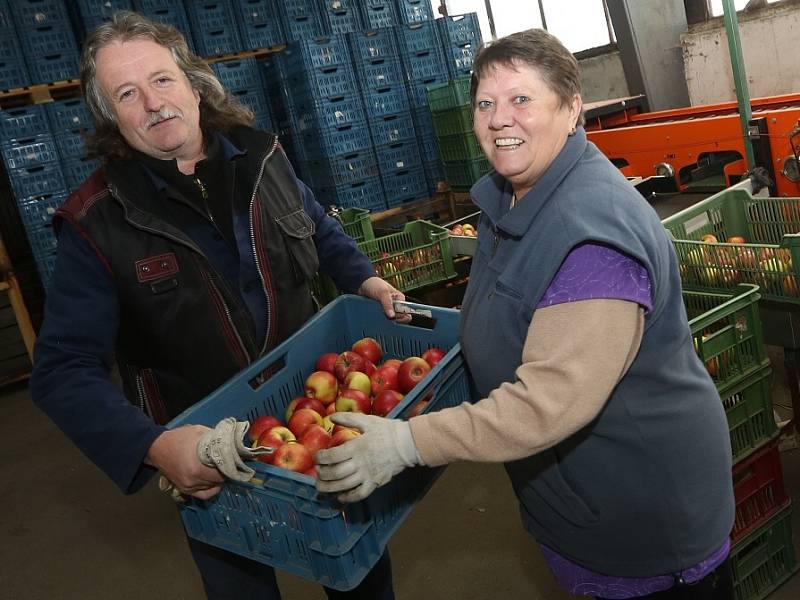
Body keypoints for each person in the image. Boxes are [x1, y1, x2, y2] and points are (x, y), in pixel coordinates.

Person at [316, 28, 736, 600]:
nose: (498, 119)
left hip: (642, 512)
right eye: (485, 104)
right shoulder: (511, 197)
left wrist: (407, 443)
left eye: (521, 99)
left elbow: (547, 403)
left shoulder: (593, 237)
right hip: (574, 493)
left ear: (571, 108)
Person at [29, 12, 402, 600]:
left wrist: (365, 280)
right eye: (127, 94)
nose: (153, 103)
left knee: (357, 568)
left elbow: (319, 231)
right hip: (209, 456)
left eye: (161, 80)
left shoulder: (263, 156)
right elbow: (61, 372)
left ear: (193, 81)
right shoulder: (95, 223)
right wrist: (156, 446)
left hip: (315, 406)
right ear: (109, 117)